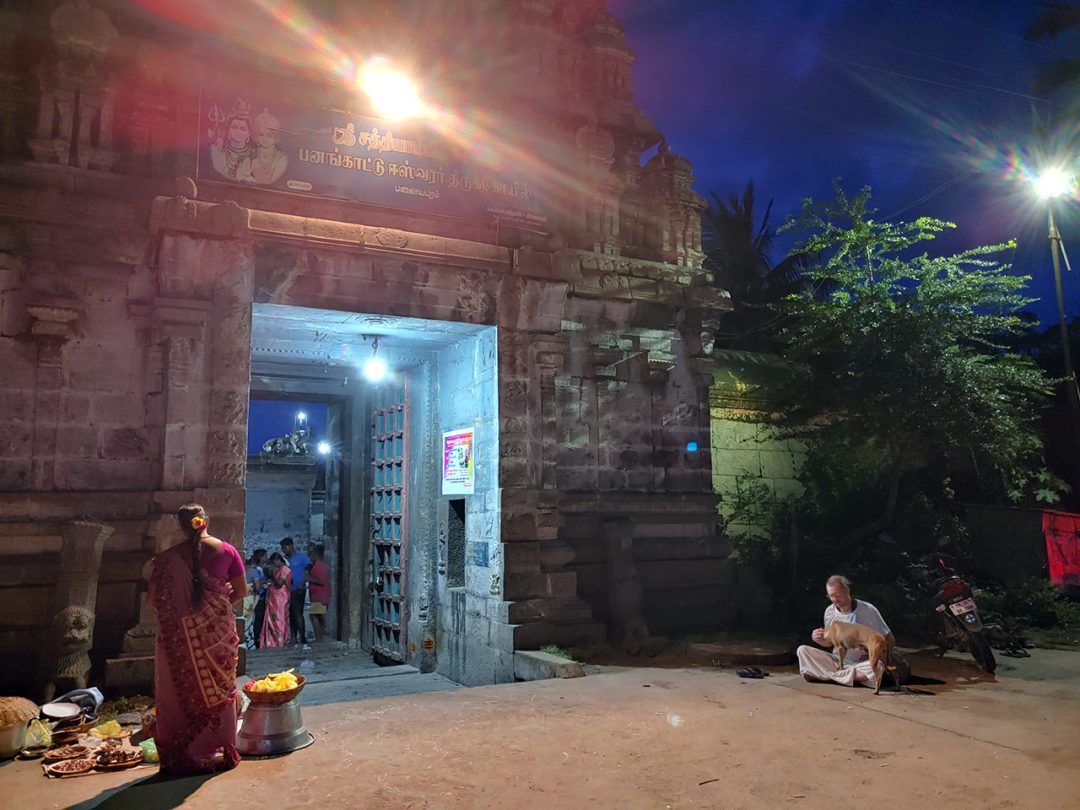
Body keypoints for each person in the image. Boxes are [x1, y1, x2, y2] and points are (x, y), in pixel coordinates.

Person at [147, 503, 246, 775]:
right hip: (219, 635)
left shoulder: (166, 559)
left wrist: (185, 619)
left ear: (181, 526)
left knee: (177, 690)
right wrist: (215, 608)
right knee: (221, 687)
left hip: (178, 637)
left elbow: (154, 600)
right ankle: (221, 747)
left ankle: (184, 751)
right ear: (206, 521)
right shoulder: (227, 551)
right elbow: (240, 591)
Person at [797, 574, 897, 690]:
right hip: (838, 662)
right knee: (802, 651)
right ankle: (843, 676)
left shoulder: (868, 610)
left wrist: (871, 653)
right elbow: (831, 644)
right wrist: (819, 639)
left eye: (837, 595)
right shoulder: (829, 612)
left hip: (862, 663)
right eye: (830, 596)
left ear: (847, 590)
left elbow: (890, 640)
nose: (834, 599)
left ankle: (829, 676)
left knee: (877, 666)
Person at [281, 537, 311, 647]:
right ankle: (293, 638)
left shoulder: (302, 557)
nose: (284, 550)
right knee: (292, 614)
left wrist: (302, 583)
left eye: (285, 548)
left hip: (299, 589)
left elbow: (308, 572)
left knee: (298, 613)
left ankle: (303, 637)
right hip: (289, 590)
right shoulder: (284, 560)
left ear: (291, 546)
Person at [260, 553, 291, 649]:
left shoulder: (285, 569)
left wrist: (273, 573)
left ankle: (280, 640)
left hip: (280, 598)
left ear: (278, 560)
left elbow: (280, 583)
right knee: (273, 620)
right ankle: (272, 641)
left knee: (279, 619)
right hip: (274, 597)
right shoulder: (280, 570)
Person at [250, 108, 288, 185]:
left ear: (275, 138)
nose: (265, 139)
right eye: (261, 135)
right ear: (256, 136)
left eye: (269, 135)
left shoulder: (281, 159)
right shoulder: (250, 154)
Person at [307, 544, 331, 643]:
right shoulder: (317, 566)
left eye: (311, 555)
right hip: (318, 595)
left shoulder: (319, 566)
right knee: (318, 616)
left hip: (320, 596)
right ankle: (320, 636)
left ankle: (318, 637)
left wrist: (309, 579)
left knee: (314, 616)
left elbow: (322, 580)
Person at [245, 549, 268, 648]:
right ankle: (256, 641)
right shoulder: (256, 571)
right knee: (257, 620)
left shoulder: (246, 571)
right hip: (256, 598)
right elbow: (257, 587)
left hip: (247, 598)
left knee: (250, 621)